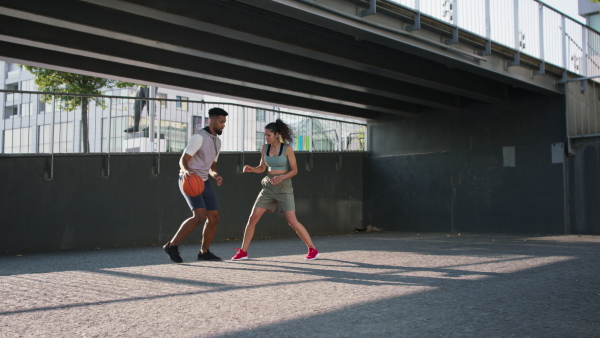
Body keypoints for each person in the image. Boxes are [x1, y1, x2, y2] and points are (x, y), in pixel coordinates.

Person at [231, 119, 319, 261]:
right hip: (268, 186)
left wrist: (282, 177)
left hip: (284, 186)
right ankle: (243, 251)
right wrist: (251, 169)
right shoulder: (264, 148)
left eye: (268, 135)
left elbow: (295, 170)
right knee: (253, 218)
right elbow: (262, 168)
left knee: (292, 221)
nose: (266, 138)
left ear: (277, 134)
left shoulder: (287, 149)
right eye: (265, 135)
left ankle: (312, 249)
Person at [163, 107, 228, 263]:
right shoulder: (198, 137)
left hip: (204, 181)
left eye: (224, 122)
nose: (223, 125)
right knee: (199, 216)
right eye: (221, 122)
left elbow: (212, 167)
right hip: (190, 180)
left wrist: (216, 175)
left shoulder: (217, 142)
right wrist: (186, 171)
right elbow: (183, 160)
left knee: (214, 217)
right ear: (211, 120)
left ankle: (204, 252)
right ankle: (171, 245)